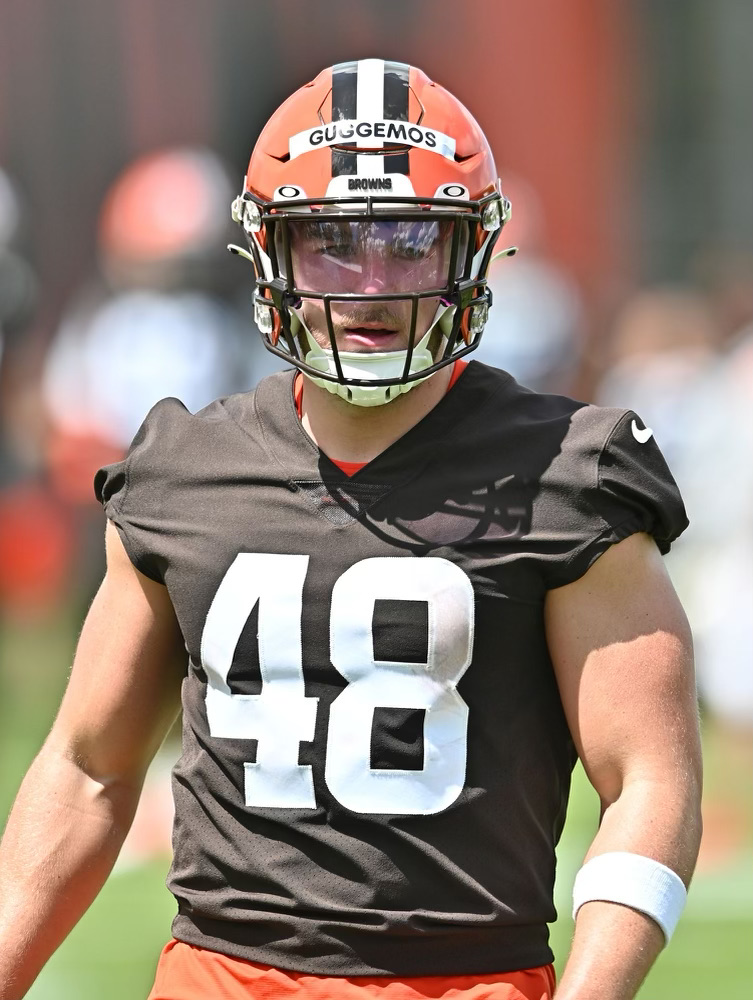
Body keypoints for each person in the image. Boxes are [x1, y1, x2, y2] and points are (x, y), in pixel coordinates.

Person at [0, 60, 702, 1000]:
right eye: (331, 240)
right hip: (217, 978)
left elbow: (649, 778)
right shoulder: (185, 469)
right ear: (267, 252)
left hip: (469, 979)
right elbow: (88, 769)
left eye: (410, 239)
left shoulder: (568, 476)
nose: (371, 284)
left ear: (473, 253)